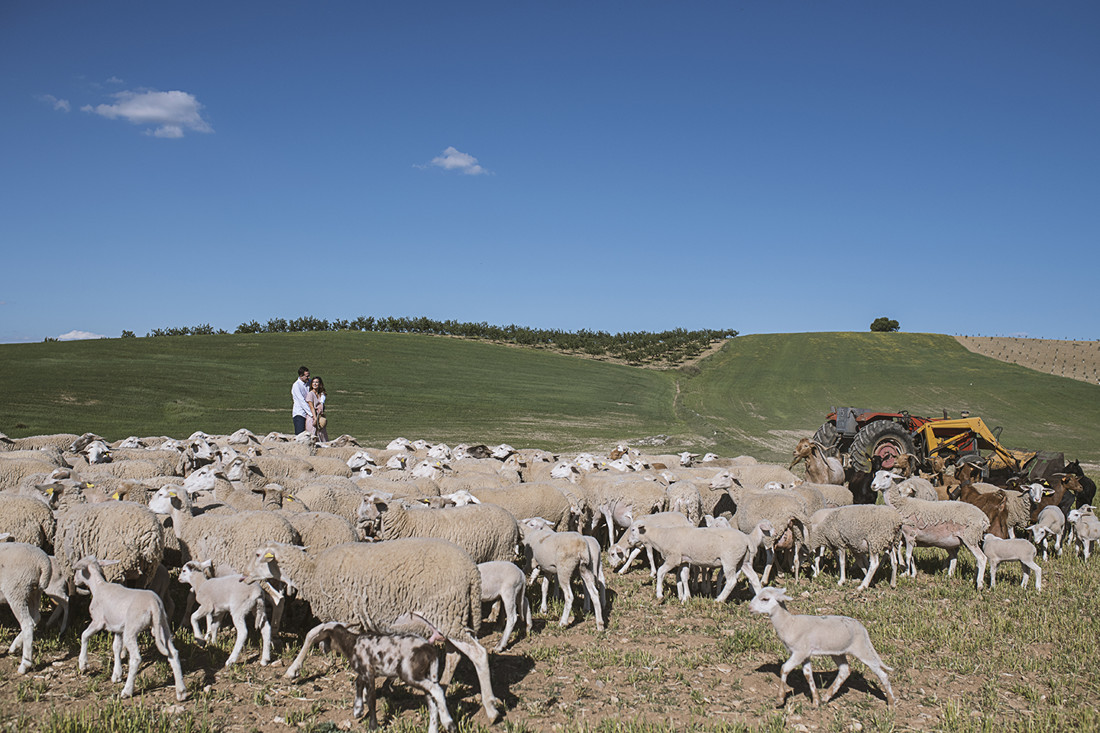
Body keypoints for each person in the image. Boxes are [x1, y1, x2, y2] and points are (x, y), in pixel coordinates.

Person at [306, 376, 328, 441]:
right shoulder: (310, 394)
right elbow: (311, 407)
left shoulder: (320, 394)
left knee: (322, 435)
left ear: (320, 384)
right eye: (313, 382)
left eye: (316, 382)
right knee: (313, 436)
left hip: (319, 417)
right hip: (313, 417)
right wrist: (315, 418)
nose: (314, 384)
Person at [291, 366, 311, 435]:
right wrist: (311, 414)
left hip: (308, 413)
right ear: (301, 376)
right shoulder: (296, 385)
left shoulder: (309, 382)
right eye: (307, 376)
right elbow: (302, 401)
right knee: (300, 436)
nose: (308, 378)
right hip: (300, 414)